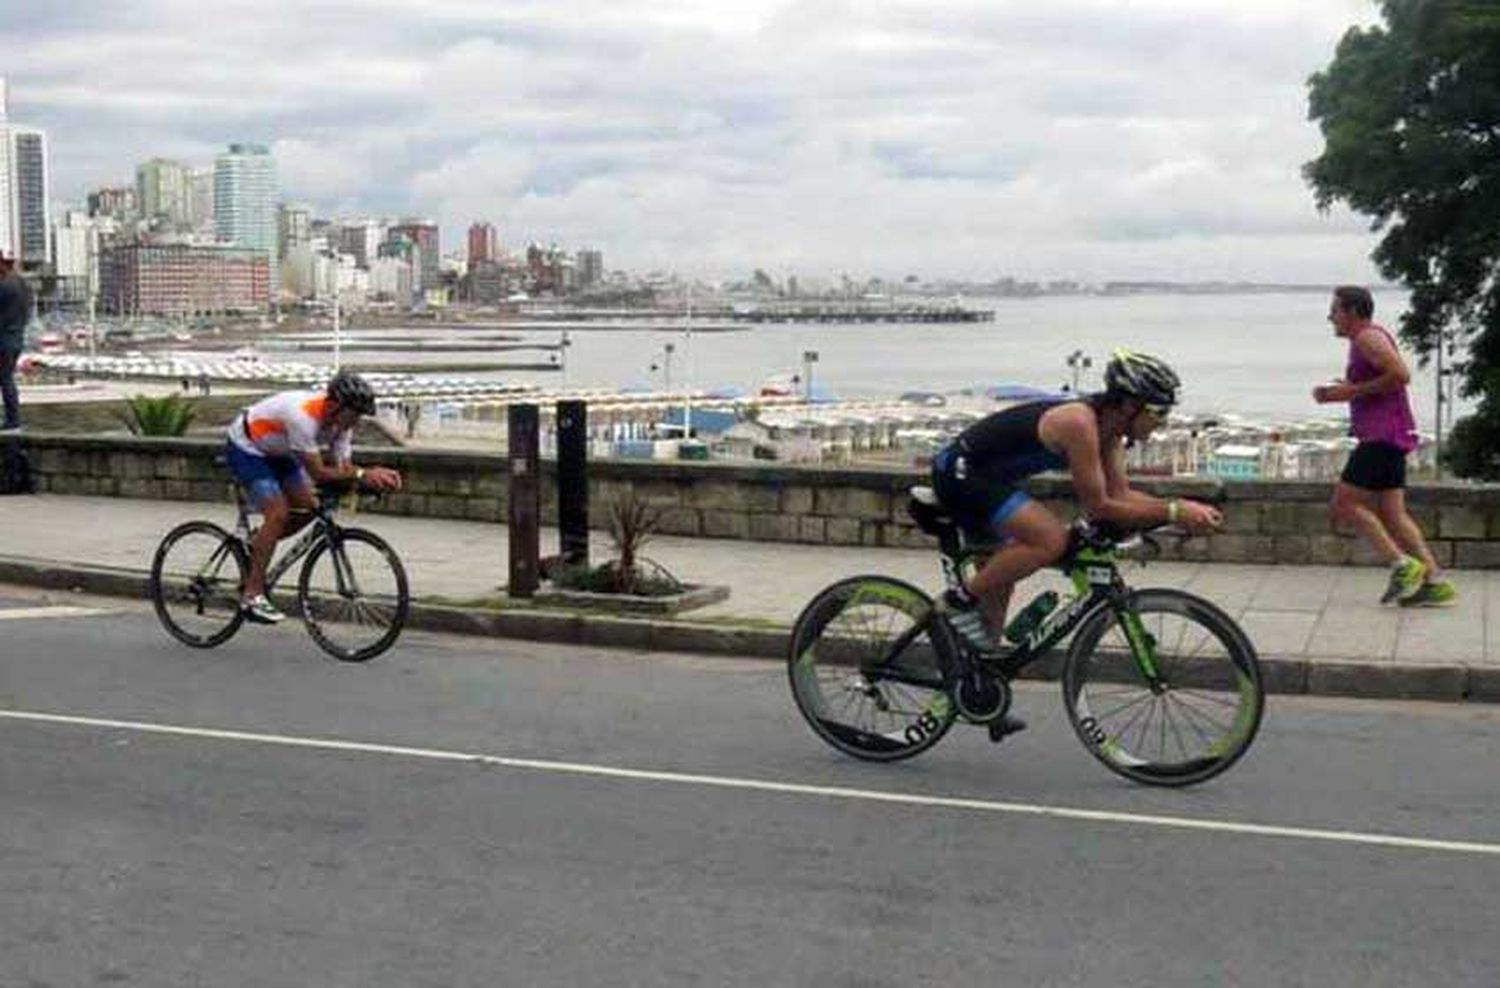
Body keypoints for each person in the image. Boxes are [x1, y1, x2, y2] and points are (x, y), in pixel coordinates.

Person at [931, 350, 1223, 725]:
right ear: (1131, 405)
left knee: (998, 596)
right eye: (1158, 412)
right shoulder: (1079, 424)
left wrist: (1177, 511)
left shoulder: (1111, 434)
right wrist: (1172, 511)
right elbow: (1100, 505)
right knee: (1049, 540)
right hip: (960, 473)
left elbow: (1121, 497)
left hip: (994, 481)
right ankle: (956, 601)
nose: (1162, 424)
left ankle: (977, 684)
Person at [226, 369, 403, 623]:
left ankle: (258, 544)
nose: (355, 423)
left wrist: (367, 483)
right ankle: (251, 596)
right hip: (248, 446)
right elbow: (319, 473)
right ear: (334, 406)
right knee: (277, 514)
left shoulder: (342, 426)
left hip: (280, 450)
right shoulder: (302, 417)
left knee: (309, 507)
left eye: (359, 417)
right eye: (353, 415)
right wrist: (364, 474)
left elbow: (342, 471)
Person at [1315, 285, 1454, 607]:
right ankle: (1434, 581)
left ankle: (1401, 564)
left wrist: (1349, 392)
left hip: (1382, 435)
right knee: (1393, 514)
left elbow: (1400, 375)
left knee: (1343, 505)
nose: (1330, 317)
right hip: (1392, 434)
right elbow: (1381, 383)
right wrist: (1344, 390)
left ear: (1351, 312)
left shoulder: (1367, 338)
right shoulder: (1365, 339)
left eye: (1334, 310)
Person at [0, 253, 35, 433]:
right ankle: (12, 419)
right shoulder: (22, 284)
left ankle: (12, 420)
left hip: (4, 339)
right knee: (6, 378)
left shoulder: (4, 286)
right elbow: (28, 310)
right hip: (16, 337)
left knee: (5, 379)